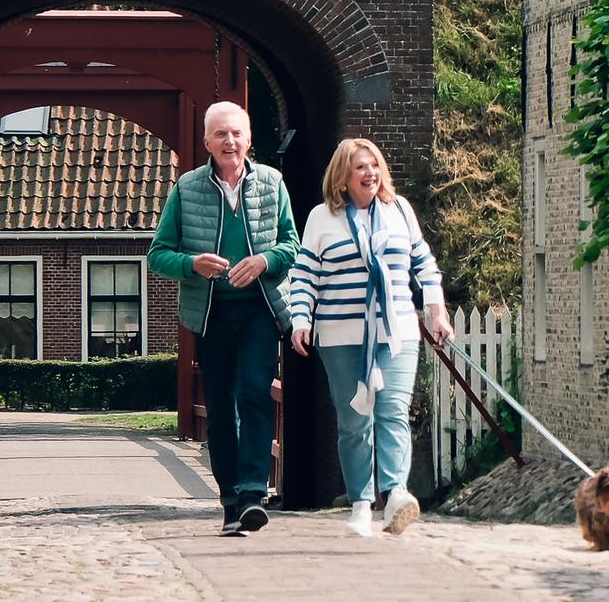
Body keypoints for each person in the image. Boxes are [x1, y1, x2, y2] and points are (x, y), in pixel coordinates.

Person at [288, 137, 453, 538]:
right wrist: (300, 318)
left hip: (395, 332)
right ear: (343, 177)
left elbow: (423, 262)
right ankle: (361, 503)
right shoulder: (321, 218)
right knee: (354, 421)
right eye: (361, 167)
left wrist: (437, 310)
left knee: (393, 410)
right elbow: (305, 274)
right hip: (341, 334)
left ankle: (395, 492)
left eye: (375, 165)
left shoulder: (399, 211)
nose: (370, 174)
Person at [148, 101, 298, 536]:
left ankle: (252, 493)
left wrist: (266, 260)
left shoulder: (273, 183)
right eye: (220, 135)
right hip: (210, 313)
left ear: (249, 139)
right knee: (220, 407)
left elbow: (293, 244)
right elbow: (158, 254)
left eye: (236, 133)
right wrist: (192, 263)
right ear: (207, 143)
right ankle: (230, 499)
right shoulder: (187, 188)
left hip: (259, 309)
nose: (229, 142)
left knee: (254, 392)